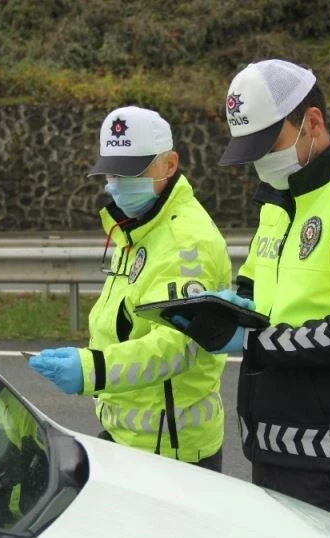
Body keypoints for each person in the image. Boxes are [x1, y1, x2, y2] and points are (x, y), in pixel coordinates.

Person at [173, 60, 330, 536]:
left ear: (312, 122)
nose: (262, 161)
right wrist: (221, 309)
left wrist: (254, 342)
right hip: (269, 443)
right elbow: (254, 289)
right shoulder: (279, 201)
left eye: (269, 144)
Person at [28, 105, 232, 471]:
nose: (119, 183)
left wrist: (91, 369)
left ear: (170, 164)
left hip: (171, 452)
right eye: (113, 172)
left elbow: (176, 347)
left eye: (133, 171)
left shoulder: (186, 241)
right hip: (131, 438)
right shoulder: (139, 228)